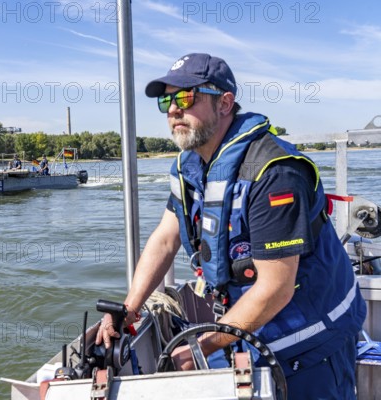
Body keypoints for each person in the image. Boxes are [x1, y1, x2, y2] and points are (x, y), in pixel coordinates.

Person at [96, 53, 366, 399]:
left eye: (186, 97)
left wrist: (201, 347)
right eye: (167, 100)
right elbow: (166, 238)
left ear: (225, 103)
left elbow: (276, 288)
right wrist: (128, 310)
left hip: (311, 345)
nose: (173, 110)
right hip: (246, 333)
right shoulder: (190, 167)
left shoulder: (274, 173)